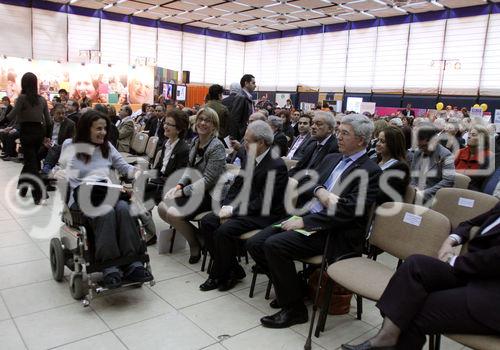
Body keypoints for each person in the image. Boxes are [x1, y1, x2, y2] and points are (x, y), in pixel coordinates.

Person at [247, 114, 381, 329]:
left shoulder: (371, 172)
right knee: (255, 243)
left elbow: (348, 211)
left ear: (362, 141)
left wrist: (306, 223)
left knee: (274, 245)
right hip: (307, 216)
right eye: (338, 131)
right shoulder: (332, 158)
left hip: (334, 231)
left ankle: (294, 310)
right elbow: (307, 182)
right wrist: (320, 191)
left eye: (345, 133)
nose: (338, 137)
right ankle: (295, 288)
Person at [343, 202, 500, 350]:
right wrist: (451, 240)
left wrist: (454, 261)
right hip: (477, 274)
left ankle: (387, 339)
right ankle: (386, 337)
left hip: (491, 293)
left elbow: (493, 260)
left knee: (413, 312)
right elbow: (470, 223)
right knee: (415, 264)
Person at [60, 110, 153, 289]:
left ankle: (132, 262)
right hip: (82, 195)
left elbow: (124, 167)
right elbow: (65, 171)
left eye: (105, 129)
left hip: (106, 191)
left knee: (124, 210)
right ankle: (109, 266)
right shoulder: (70, 145)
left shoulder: (107, 146)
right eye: (98, 129)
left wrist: (137, 172)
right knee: (107, 212)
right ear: (86, 129)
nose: (103, 132)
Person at [198, 121, 288, 292]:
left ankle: (219, 274)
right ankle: (233, 269)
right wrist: (226, 206)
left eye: (248, 140)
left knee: (225, 231)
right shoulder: (250, 156)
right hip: (245, 209)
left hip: (264, 214)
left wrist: (233, 211)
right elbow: (236, 186)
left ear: (261, 142)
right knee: (208, 221)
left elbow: (264, 201)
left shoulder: (276, 165)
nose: (244, 144)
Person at [157, 107, 226, 264]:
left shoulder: (217, 146)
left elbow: (208, 180)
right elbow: (189, 168)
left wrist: (183, 192)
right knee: (162, 208)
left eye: (207, 120)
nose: (202, 123)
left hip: (211, 195)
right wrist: (179, 186)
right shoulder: (196, 142)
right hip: (196, 191)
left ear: (214, 126)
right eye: (200, 119)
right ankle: (199, 237)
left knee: (173, 213)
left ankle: (194, 244)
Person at [141, 109, 190, 245]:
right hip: (162, 181)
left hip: (172, 186)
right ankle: (145, 230)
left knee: (141, 194)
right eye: (165, 123)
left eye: (169, 124)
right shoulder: (166, 144)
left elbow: (178, 177)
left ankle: (150, 235)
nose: (165, 126)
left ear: (179, 129)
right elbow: (159, 169)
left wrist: (152, 180)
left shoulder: (184, 149)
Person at [6, 72, 52, 204]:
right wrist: (47, 136)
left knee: (31, 163)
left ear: (23, 83)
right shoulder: (42, 100)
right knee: (31, 162)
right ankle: (23, 188)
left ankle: (39, 193)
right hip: (39, 132)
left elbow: (12, 115)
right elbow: (48, 121)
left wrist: (3, 122)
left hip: (26, 132)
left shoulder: (22, 99)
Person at [410, 123, 455, 202]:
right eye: (419, 146)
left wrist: (424, 193)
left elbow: (448, 181)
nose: (421, 149)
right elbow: (413, 174)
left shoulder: (446, 155)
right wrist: (413, 188)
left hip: (434, 197)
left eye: (424, 146)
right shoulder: (418, 152)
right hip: (415, 193)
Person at [289, 111, 339, 178]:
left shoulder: (335, 148)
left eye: (318, 124)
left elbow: (318, 175)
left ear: (330, 129)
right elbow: (299, 167)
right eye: (313, 123)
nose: (313, 127)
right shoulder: (312, 143)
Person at [375, 126, 410, 204]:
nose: (377, 144)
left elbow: (385, 196)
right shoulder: (375, 160)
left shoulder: (400, 168)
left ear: (393, 144)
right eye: (378, 140)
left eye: (382, 141)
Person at [39, 103, 75, 177]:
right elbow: (41, 135)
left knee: (54, 148)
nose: (61, 115)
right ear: (53, 113)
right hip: (47, 145)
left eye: (63, 113)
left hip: (62, 146)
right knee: (38, 151)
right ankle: (37, 169)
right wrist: (44, 141)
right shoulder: (48, 122)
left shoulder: (70, 124)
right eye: (58, 113)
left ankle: (46, 168)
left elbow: (72, 140)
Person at [454, 124, 493, 191]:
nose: (469, 136)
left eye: (473, 135)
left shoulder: (490, 157)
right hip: (454, 189)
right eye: (469, 134)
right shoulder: (459, 152)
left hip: (474, 193)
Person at [229, 74, 256, 141]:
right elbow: (234, 119)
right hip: (241, 137)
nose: (255, 85)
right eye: (253, 83)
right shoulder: (241, 97)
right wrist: (235, 139)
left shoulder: (247, 97)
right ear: (246, 83)